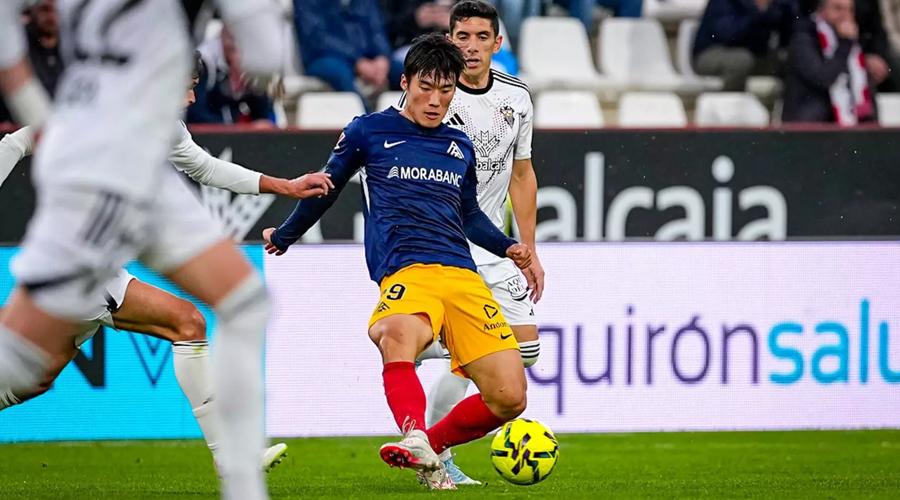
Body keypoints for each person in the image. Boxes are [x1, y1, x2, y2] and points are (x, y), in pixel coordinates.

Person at [0, 1, 290, 499]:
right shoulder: (101, 103)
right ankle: (235, 469)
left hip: (123, 211)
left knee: (35, 376)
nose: (194, 93)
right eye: (189, 83)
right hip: (93, 212)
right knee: (192, 322)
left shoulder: (161, 122)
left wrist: (283, 186)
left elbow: (204, 168)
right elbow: (18, 141)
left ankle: (236, 468)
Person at [262, 33, 533, 490]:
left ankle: (426, 445)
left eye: (446, 90)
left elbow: (469, 216)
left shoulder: (459, 145)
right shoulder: (368, 131)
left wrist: (507, 245)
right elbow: (324, 188)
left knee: (511, 397)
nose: (435, 99)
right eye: (426, 87)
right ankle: (413, 435)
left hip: (463, 276)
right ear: (404, 82)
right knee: (395, 335)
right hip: (409, 270)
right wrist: (286, 235)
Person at [410, 0, 542, 486]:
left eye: (480, 37)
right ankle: (436, 450)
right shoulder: (435, 97)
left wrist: (529, 248)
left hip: (495, 246)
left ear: (497, 43)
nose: (470, 46)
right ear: (448, 40)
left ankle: (429, 350)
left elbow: (523, 176)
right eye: (461, 36)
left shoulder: (518, 98)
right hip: (445, 247)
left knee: (526, 353)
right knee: (478, 355)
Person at [783, 0, 877, 123]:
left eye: (850, 10)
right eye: (838, 9)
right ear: (821, 11)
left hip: (848, 126)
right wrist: (845, 44)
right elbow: (822, 78)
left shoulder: (854, 47)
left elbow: (864, 87)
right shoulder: (803, 38)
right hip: (809, 125)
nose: (845, 16)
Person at [693, 0, 798, 91]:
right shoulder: (724, 2)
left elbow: (786, 35)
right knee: (741, 62)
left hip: (753, 55)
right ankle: (729, 108)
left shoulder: (774, 4)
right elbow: (729, 35)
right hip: (710, 53)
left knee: (790, 62)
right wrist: (759, 11)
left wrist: (784, 13)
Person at [188, 28, 276, 127]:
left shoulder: (251, 59)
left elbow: (263, 113)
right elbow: (195, 113)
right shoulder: (205, 62)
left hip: (230, 128)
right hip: (206, 130)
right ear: (223, 36)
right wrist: (238, 130)